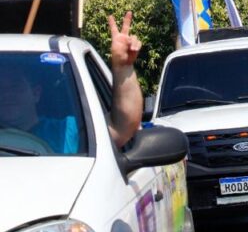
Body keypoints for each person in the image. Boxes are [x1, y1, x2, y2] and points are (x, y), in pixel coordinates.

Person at [0, 11, 143, 153]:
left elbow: (122, 126)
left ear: (36, 93)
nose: (6, 94)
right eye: (0, 89)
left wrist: (123, 67)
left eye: (14, 87)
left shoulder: (71, 131)